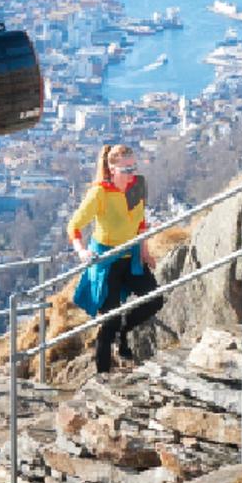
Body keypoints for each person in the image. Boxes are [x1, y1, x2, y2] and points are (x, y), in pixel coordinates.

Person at [67, 144, 158, 374]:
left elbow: (140, 223)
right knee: (109, 322)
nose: (131, 173)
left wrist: (145, 251)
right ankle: (102, 377)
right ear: (112, 168)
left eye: (133, 167)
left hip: (131, 255)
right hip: (106, 260)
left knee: (155, 299)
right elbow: (74, 226)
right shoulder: (100, 193)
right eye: (126, 169)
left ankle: (125, 332)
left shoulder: (139, 185)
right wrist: (81, 251)